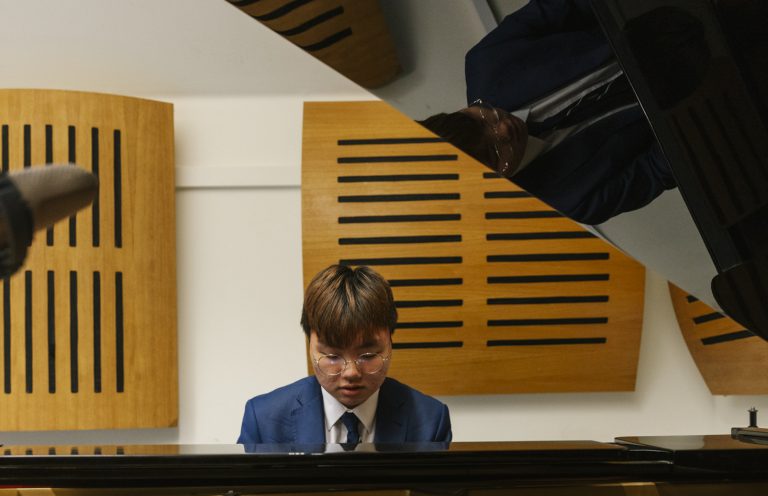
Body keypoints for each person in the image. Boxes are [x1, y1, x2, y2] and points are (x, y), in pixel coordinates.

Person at [419, 0, 677, 225]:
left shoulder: (488, 61)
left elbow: (569, 5)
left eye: (480, 121)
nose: (504, 128)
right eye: (494, 152)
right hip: (694, 95)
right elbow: (664, 166)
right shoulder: (569, 200)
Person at [237, 265, 452, 446]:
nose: (351, 372)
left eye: (368, 355)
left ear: (390, 344)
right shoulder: (264, 420)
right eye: (332, 355)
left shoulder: (430, 421)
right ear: (310, 347)